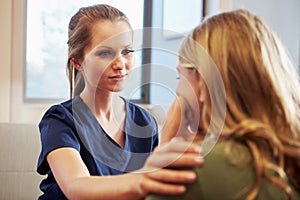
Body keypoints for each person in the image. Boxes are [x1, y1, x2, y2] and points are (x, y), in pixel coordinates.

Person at [36, 4, 204, 199]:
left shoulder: (143, 121)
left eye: (127, 51)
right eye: (105, 53)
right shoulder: (59, 120)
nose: (120, 64)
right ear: (78, 61)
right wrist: (144, 179)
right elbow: (75, 186)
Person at [147, 9, 300, 200]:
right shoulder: (283, 158)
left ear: (202, 82)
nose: (177, 90)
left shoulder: (199, 168)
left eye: (180, 76)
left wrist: (165, 150)